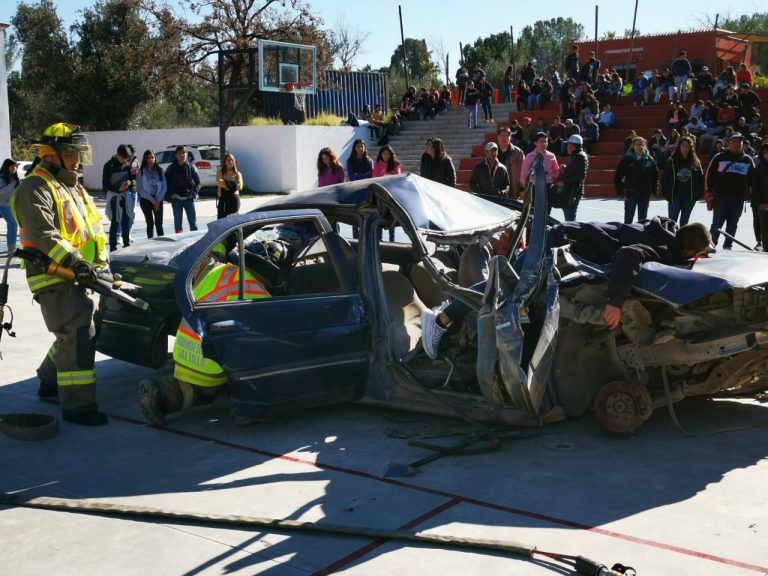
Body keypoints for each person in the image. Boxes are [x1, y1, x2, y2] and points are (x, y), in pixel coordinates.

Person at [420, 218, 712, 359]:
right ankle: (443, 318)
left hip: (566, 237)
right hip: (557, 243)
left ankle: (446, 312)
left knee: (506, 284)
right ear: (689, 252)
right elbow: (628, 256)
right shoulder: (660, 246)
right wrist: (615, 302)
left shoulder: (666, 232)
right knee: (505, 285)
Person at [10, 123, 109, 426]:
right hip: (54, 276)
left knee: (75, 334)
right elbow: (44, 235)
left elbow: (91, 231)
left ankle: (48, 379)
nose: (78, 159)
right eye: (72, 153)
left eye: (80, 152)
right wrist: (78, 263)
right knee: (79, 336)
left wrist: (101, 265)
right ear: (52, 155)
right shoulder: (34, 187)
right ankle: (79, 407)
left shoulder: (72, 186)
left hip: (82, 274)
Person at [138, 239, 284, 425]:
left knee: (196, 386)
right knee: (271, 354)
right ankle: (250, 410)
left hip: (183, 351)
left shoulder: (218, 271)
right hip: (210, 361)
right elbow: (276, 331)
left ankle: (160, 393)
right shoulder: (253, 288)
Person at [705, 132, 755, 250]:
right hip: (720, 197)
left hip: (738, 198)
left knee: (732, 225)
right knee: (717, 223)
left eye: (739, 142)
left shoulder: (747, 160)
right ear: (728, 143)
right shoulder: (719, 157)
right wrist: (708, 191)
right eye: (733, 141)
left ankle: (728, 246)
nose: (737, 144)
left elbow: (753, 180)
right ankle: (711, 245)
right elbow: (709, 175)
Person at [614, 136, 659, 224]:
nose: (639, 147)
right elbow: (617, 178)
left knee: (643, 221)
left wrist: (654, 192)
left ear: (645, 146)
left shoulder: (650, 160)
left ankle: (640, 237)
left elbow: (655, 177)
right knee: (628, 220)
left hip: (645, 194)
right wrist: (621, 194)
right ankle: (627, 237)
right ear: (633, 146)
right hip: (630, 194)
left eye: (641, 144)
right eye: (637, 144)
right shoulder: (626, 160)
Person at [662, 136, 704, 226]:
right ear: (679, 147)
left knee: (684, 223)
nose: (685, 148)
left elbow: (701, 179)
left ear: (691, 148)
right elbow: (665, 178)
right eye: (683, 146)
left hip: (689, 197)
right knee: (672, 223)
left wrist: (697, 194)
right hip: (675, 196)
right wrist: (667, 194)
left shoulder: (696, 162)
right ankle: (672, 239)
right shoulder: (672, 161)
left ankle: (682, 240)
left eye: (687, 146)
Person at [102, 144, 133, 251]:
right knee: (115, 221)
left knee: (126, 220)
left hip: (124, 196)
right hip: (114, 197)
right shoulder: (109, 165)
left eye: (127, 159)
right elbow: (105, 185)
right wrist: (117, 189)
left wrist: (129, 183)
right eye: (124, 158)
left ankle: (126, 244)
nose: (125, 161)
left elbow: (130, 179)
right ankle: (113, 247)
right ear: (118, 155)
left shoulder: (127, 164)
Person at [165, 145, 200, 234]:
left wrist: (194, 193)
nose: (182, 155)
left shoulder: (191, 167)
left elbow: (198, 183)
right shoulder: (171, 168)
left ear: (187, 154)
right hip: (176, 198)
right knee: (178, 223)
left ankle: (195, 240)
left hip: (189, 198)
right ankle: (179, 239)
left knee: (192, 222)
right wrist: (169, 195)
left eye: (184, 153)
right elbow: (165, 184)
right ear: (176, 155)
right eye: (180, 153)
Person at [554, 134, 589, 221]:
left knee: (570, 219)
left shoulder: (580, 156)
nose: (567, 147)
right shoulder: (576, 155)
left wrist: (564, 182)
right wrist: (566, 168)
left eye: (568, 144)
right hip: (570, 191)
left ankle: (572, 234)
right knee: (569, 218)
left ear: (573, 146)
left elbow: (580, 177)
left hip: (573, 192)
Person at [136, 150, 166, 238]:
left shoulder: (160, 171)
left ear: (155, 158)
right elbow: (140, 189)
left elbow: (164, 187)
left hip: (158, 200)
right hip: (146, 201)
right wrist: (153, 201)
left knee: (159, 223)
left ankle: (163, 241)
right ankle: (150, 242)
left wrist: (158, 200)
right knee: (150, 223)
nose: (150, 159)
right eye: (148, 158)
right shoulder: (141, 171)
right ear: (145, 159)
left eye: (152, 157)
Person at [496, 126, 524, 199]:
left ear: (510, 137)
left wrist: (522, 189)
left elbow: (524, 172)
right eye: (502, 135)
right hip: (495, 190)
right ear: (498, 137)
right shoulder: (492, 152)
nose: (504, 138)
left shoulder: (518, 152)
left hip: (513, 190)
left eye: (507, 135)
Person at [0, 159, 19, 255]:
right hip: (3, 206)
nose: (14, 168)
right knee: (13, 225)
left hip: (11, 206)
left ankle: (10, 247)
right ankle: (12, 248)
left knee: (10, 225)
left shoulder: (14, 178)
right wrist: (11, 185)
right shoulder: (2, 178)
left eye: (15, 166)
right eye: (12, 166)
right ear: (7, 167)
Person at [216, 153, 243, 219]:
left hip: (234, 199)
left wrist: (226, 183)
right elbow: (219, 182)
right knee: (221, 221)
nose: (230, 162)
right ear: (224, 162)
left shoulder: (237, 174)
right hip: (223, 199)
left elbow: (240, 187)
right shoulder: (220, 172)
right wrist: (232, 185)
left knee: (234, 221)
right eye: (228, 160)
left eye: (232, 160)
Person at [752, 142, 768, 251]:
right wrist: (761, 203)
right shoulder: (758, 169)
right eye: (765, 153)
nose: (767, 154)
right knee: (765, 231)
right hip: (762, 205)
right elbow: (755, 188)